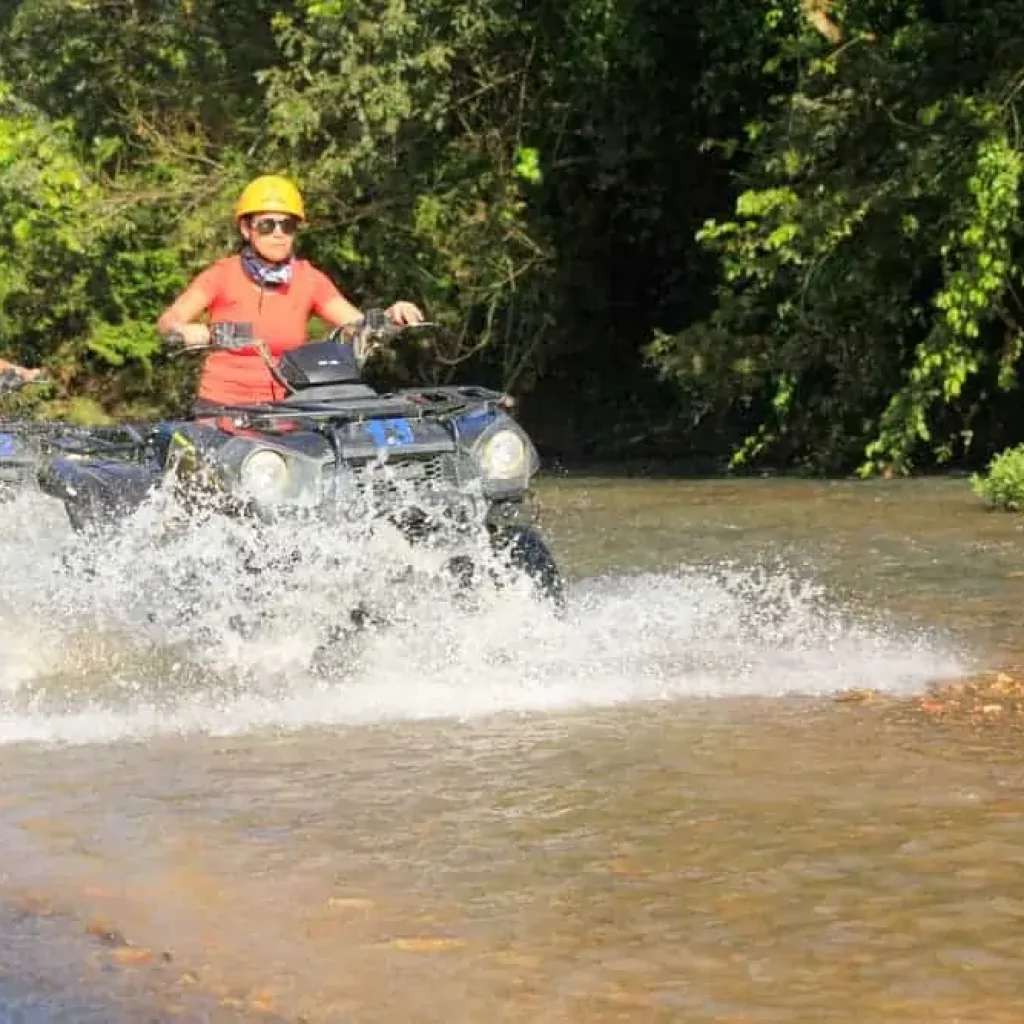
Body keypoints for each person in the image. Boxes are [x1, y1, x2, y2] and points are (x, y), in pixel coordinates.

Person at [157, 174, 424, 407]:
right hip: (222, 407)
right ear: (246, 228)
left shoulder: (309, 279)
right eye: (267, 224)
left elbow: (357, 326)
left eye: (287, 225)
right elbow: (169, 321)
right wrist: (186, 331)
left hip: (287, 407)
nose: (278, 233)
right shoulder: (222, 274)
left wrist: (390, 319)